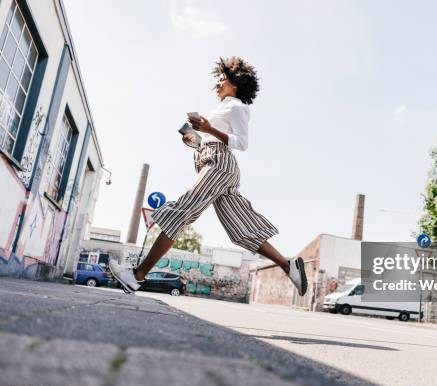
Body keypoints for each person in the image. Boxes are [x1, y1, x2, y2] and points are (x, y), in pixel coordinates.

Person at [109, 57, 307, 297]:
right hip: (212, 161)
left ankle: (137, 276)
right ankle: (289, 266)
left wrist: (209, 129)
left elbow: (242, 143)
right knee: (241, 229)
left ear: (236, 82)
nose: (217, 84)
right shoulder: (222, 108)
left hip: (219, 165)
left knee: (181, 212)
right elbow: (211, 139)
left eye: (222, 79)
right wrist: (195, 139)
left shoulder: (237, 107)